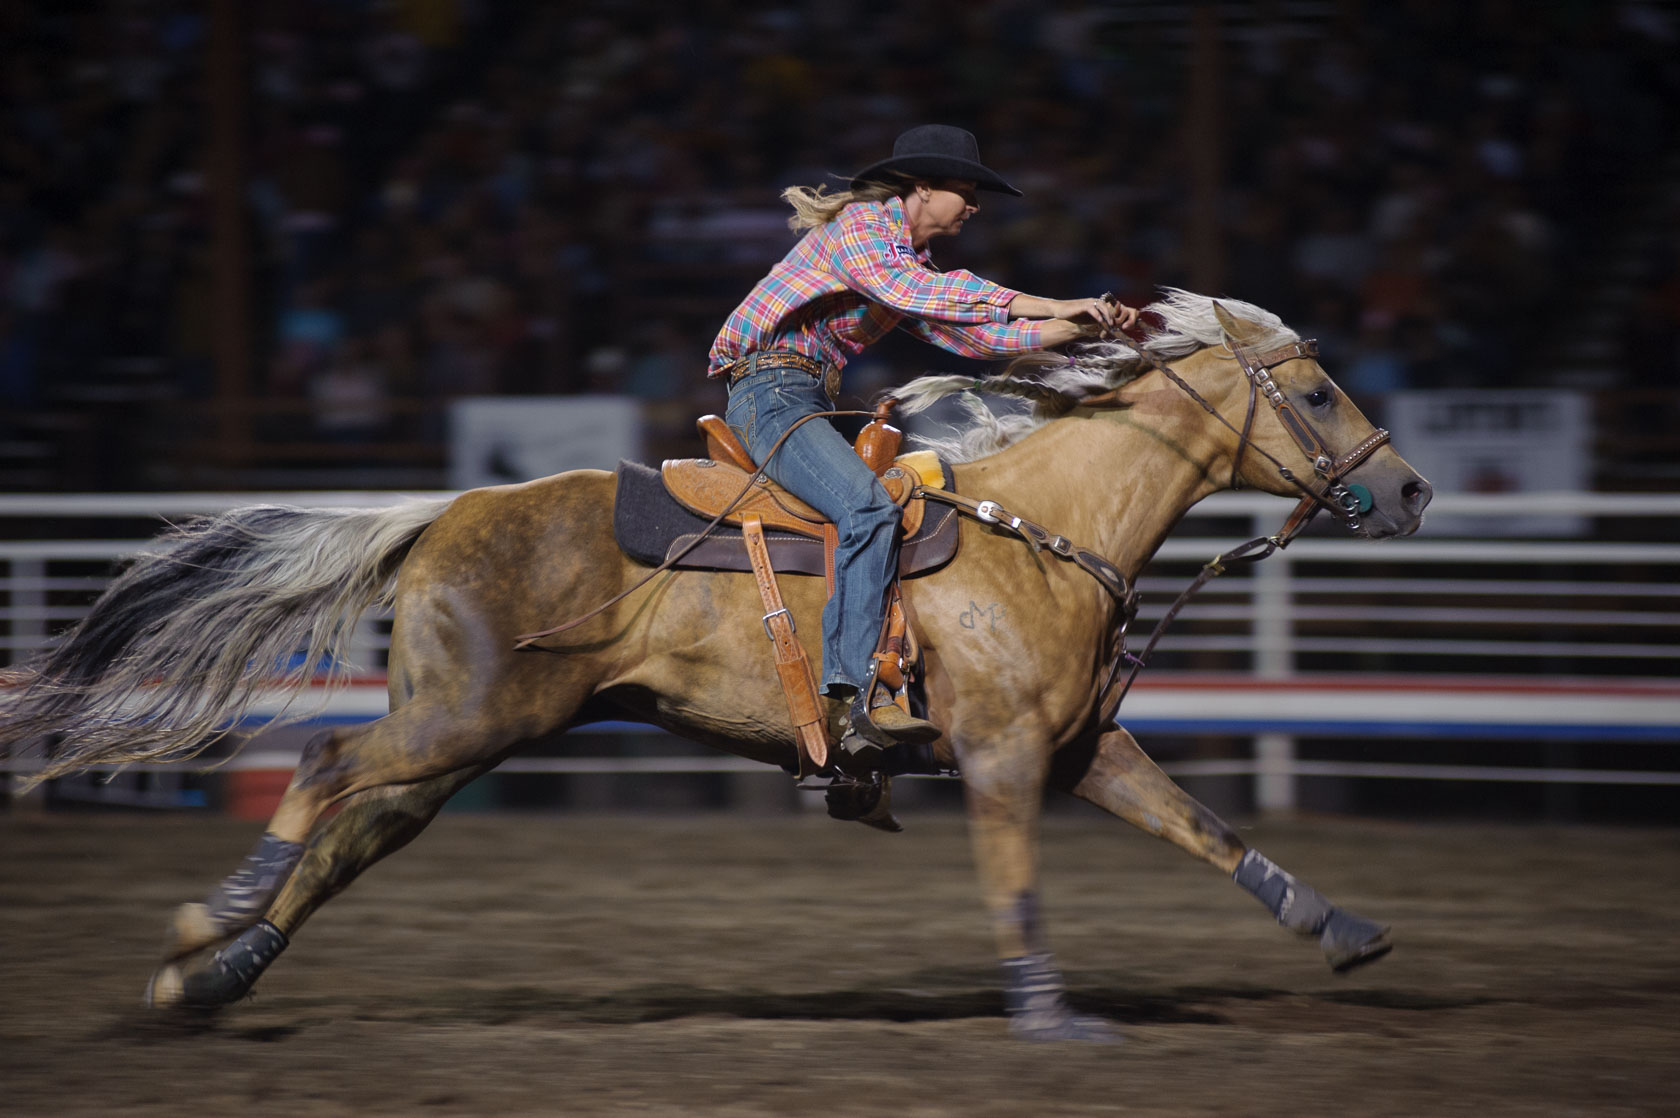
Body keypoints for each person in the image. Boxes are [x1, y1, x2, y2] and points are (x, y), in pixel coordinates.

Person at [707, 124, 1138, 757]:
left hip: (799, 396)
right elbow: (914, 294)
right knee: (868, 508)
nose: (973, 205)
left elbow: (975, 340)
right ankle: (853, 698)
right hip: (772, 394)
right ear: (922, 187)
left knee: (900, 504)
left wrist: (1080, 326)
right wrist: (1046, 302)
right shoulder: (863, 229)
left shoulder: (902, 261)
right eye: (963, 190)